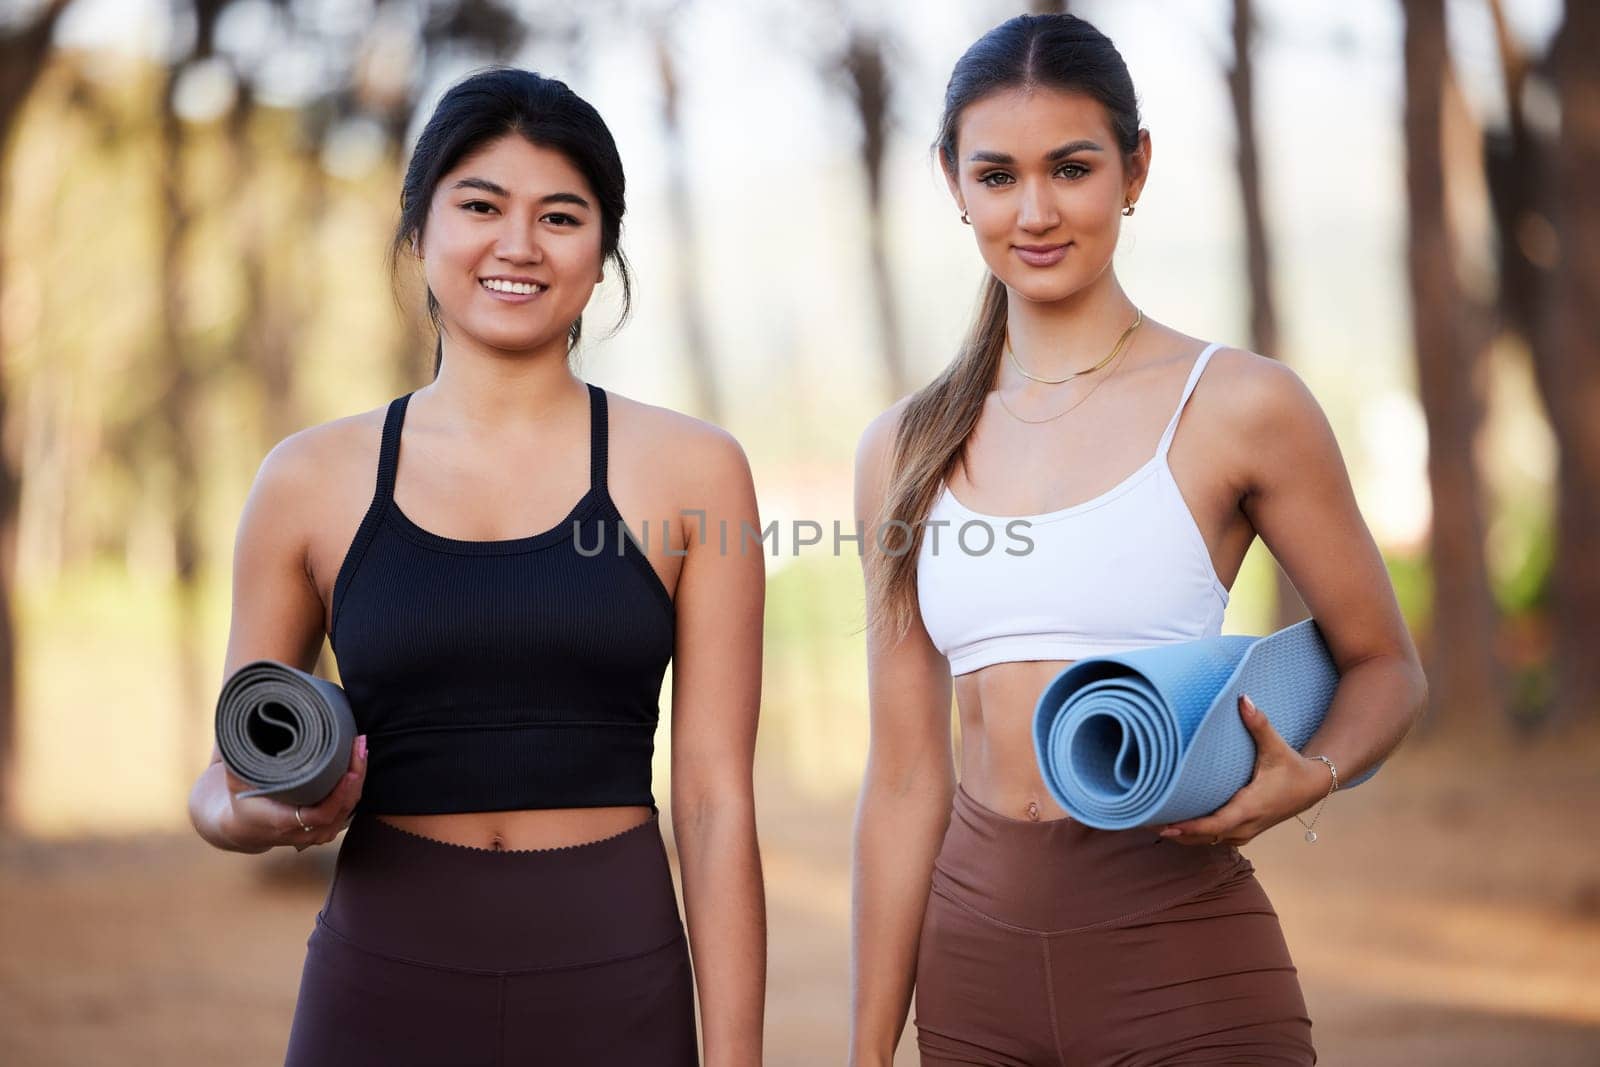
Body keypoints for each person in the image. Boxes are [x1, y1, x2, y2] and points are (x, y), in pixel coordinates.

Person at [849, 14, 1427, 1067]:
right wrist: (864, 1048)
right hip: (972, 973)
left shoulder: (1240, 405)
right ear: (951, 181)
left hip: (1181, 958)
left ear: (1135, 167)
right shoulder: (902, 446)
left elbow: (1385, 664)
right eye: (996, 175)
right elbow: (899, 780)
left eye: (1071, 167)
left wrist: (1320, 769)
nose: (1034, 210)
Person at [186, 67, 765, 1066]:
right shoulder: (308, 480)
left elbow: (715, 802)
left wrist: (740, 1056)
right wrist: (261, 817)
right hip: (382, 975)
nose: (517, 244)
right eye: (481, 205)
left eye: (560, 215)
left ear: (601, 255)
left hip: (615, 974)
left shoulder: (693, 470)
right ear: (419, 232)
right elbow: (222, 781)